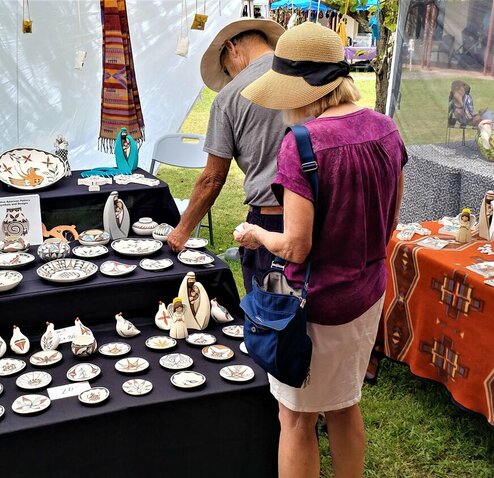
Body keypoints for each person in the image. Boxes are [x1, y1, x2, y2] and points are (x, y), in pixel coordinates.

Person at [234, 22, 406, 478]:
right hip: (368, 294)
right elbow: (389, 223)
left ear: (302, 89)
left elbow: (294, 247)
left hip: (315, 308)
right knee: (346, 405)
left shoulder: (302, 144)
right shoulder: (387, 130)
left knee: (295, 418)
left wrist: (255, 236)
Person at [167, 17, 286, 293]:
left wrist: (182, 231)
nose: (231, 77)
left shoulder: (230, 96)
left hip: (270, 218)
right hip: (318, 211)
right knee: (308, 315)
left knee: (267, 315)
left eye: (226, 70)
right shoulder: (302, 74)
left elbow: (213, 178)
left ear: (232, 47)